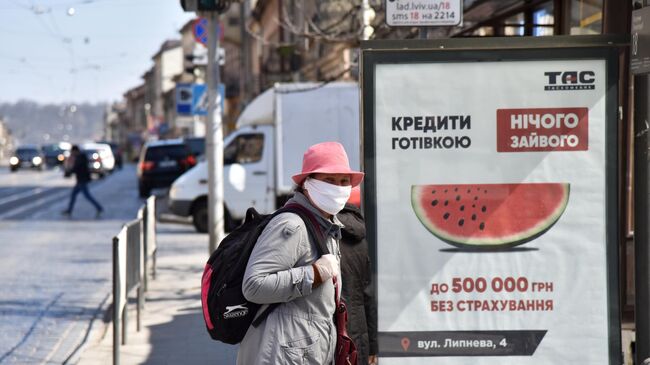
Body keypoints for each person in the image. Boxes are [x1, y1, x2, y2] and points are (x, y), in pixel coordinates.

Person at [238, 141, 364, 365]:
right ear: (308, 184)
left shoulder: (326, 226)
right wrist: (313, 274)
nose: (338, 187)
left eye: (344, 181)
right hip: (282, 355)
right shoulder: (292, 225)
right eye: (329, 180)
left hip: (304, 353)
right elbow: (254, 285)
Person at [338, 186, 378, 365]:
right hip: (356, 338)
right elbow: (367, 295)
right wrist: (372, 346)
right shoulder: (358, 237)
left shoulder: (314, 230)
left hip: (325, 339)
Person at [61, 145, 104, 218]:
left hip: (82, 180)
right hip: (81, 180)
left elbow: (77, 168)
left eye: (72, 152)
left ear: (75, 151)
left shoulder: (80, 157)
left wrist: (69, 172)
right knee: (74, 195)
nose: (72, 153)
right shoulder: (81, 157)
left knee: (87, 196)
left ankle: (99, 207)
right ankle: (69, 210)